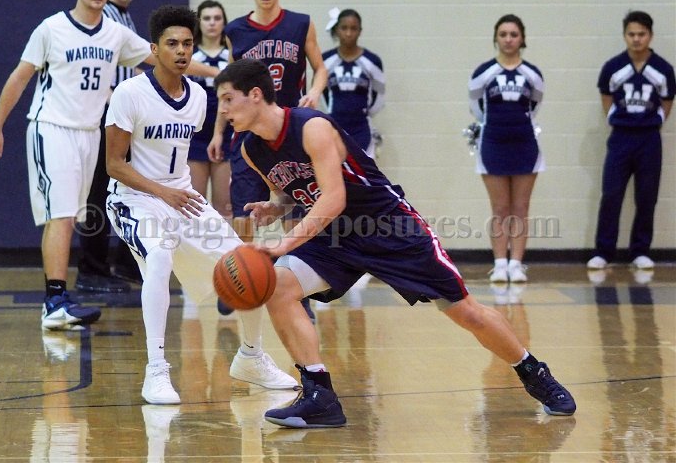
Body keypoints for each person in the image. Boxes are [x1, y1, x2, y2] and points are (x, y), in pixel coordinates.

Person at [214, 58, 576, 428]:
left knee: (465, 312)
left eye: (227, 99)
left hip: (385, 225)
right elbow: (288, 191)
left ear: (255, 95)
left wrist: (282, 245)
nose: (222, 109)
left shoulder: (312, 127)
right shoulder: (251, 149)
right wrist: (276, 207)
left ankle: (533, 372)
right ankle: (320, 396)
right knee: (279, 288)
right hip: (333, 236)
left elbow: (334, 197)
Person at [104, 5, 296, 404]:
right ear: (154, 49)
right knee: (158, 257)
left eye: (187, 44)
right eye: (172, 43)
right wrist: (163, 192)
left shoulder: (197, 97)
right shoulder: (129, 93)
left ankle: (251, 357)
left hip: (183, 200)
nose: (181, 51)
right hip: (134, 200)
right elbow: (114, 165)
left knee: (248, 263)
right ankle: (156, 370)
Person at [0, 0, 156, 330]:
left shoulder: (115, 33)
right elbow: (19, 77)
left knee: (70, 217)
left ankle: (57, 300)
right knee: (60, 215)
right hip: (52, 128)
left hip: (89, 133)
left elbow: (162, 56)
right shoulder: (51, 28)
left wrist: (219, 72)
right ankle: (54, 302)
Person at [207, 0, 327, 322]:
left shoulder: (301, 23)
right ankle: (237, 277)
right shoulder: (236, 30)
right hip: (247, 134)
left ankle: (300, 291)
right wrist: (218, 131)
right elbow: (229, 87)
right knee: (244, 213)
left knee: (295, 212)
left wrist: (315, 91)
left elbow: (320, 68)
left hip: (290, 131)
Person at [587, 10, 675, 271]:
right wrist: (613, 116)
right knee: (611, 194)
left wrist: (657, 119)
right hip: (620, 138)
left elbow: (667, 100)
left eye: (641, 34)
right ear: (625, 35)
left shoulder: (663, 69)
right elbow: (606, 95)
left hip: (649, 139)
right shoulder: (613, 67)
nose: (636, 39)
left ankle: (640, 251)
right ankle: (604, 252)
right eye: (631, 34)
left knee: (647, 197)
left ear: (650, 36)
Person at [75, 0, 144, 293]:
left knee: (122, 191)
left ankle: (124, 263)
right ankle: (91, 269)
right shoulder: (103, 16)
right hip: (103, 117)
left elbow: (132, 69)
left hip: (122, 117)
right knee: (98, 193)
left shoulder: (124, 17)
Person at [468, 14, 544, 284]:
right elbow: (476, 108)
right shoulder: (483, 73)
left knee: (521, 207)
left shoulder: (532, 74)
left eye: (513, 34)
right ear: (495, 38)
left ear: (522, 38)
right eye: (503, 34)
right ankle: (499, 264)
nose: (508, 39)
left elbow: (535, 106)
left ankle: (517, 264)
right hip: (493, 143)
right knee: (500, 207)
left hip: (525, 144)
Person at [187, 0, 233, 220]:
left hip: (225, 134)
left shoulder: (232, 55)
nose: (212, 23)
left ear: (224, 22)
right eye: (206, 18)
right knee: (195, 206)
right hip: (194, 136)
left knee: (224, 206)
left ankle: (226, 244)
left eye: (217, 18)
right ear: (199, 23)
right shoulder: (189, 55)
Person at [322, 8, 385, 158]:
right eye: (344, 28)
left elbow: (379, 96)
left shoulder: (372, 61)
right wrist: (332, 111)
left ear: (360, 31)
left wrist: (365, 113)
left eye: (353, 28)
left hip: (362, 128)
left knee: (365, 171)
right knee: (335, 170)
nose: (349, 33)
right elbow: (322, 93)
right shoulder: (325, 60)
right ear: (337, 30)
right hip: (335, 126)